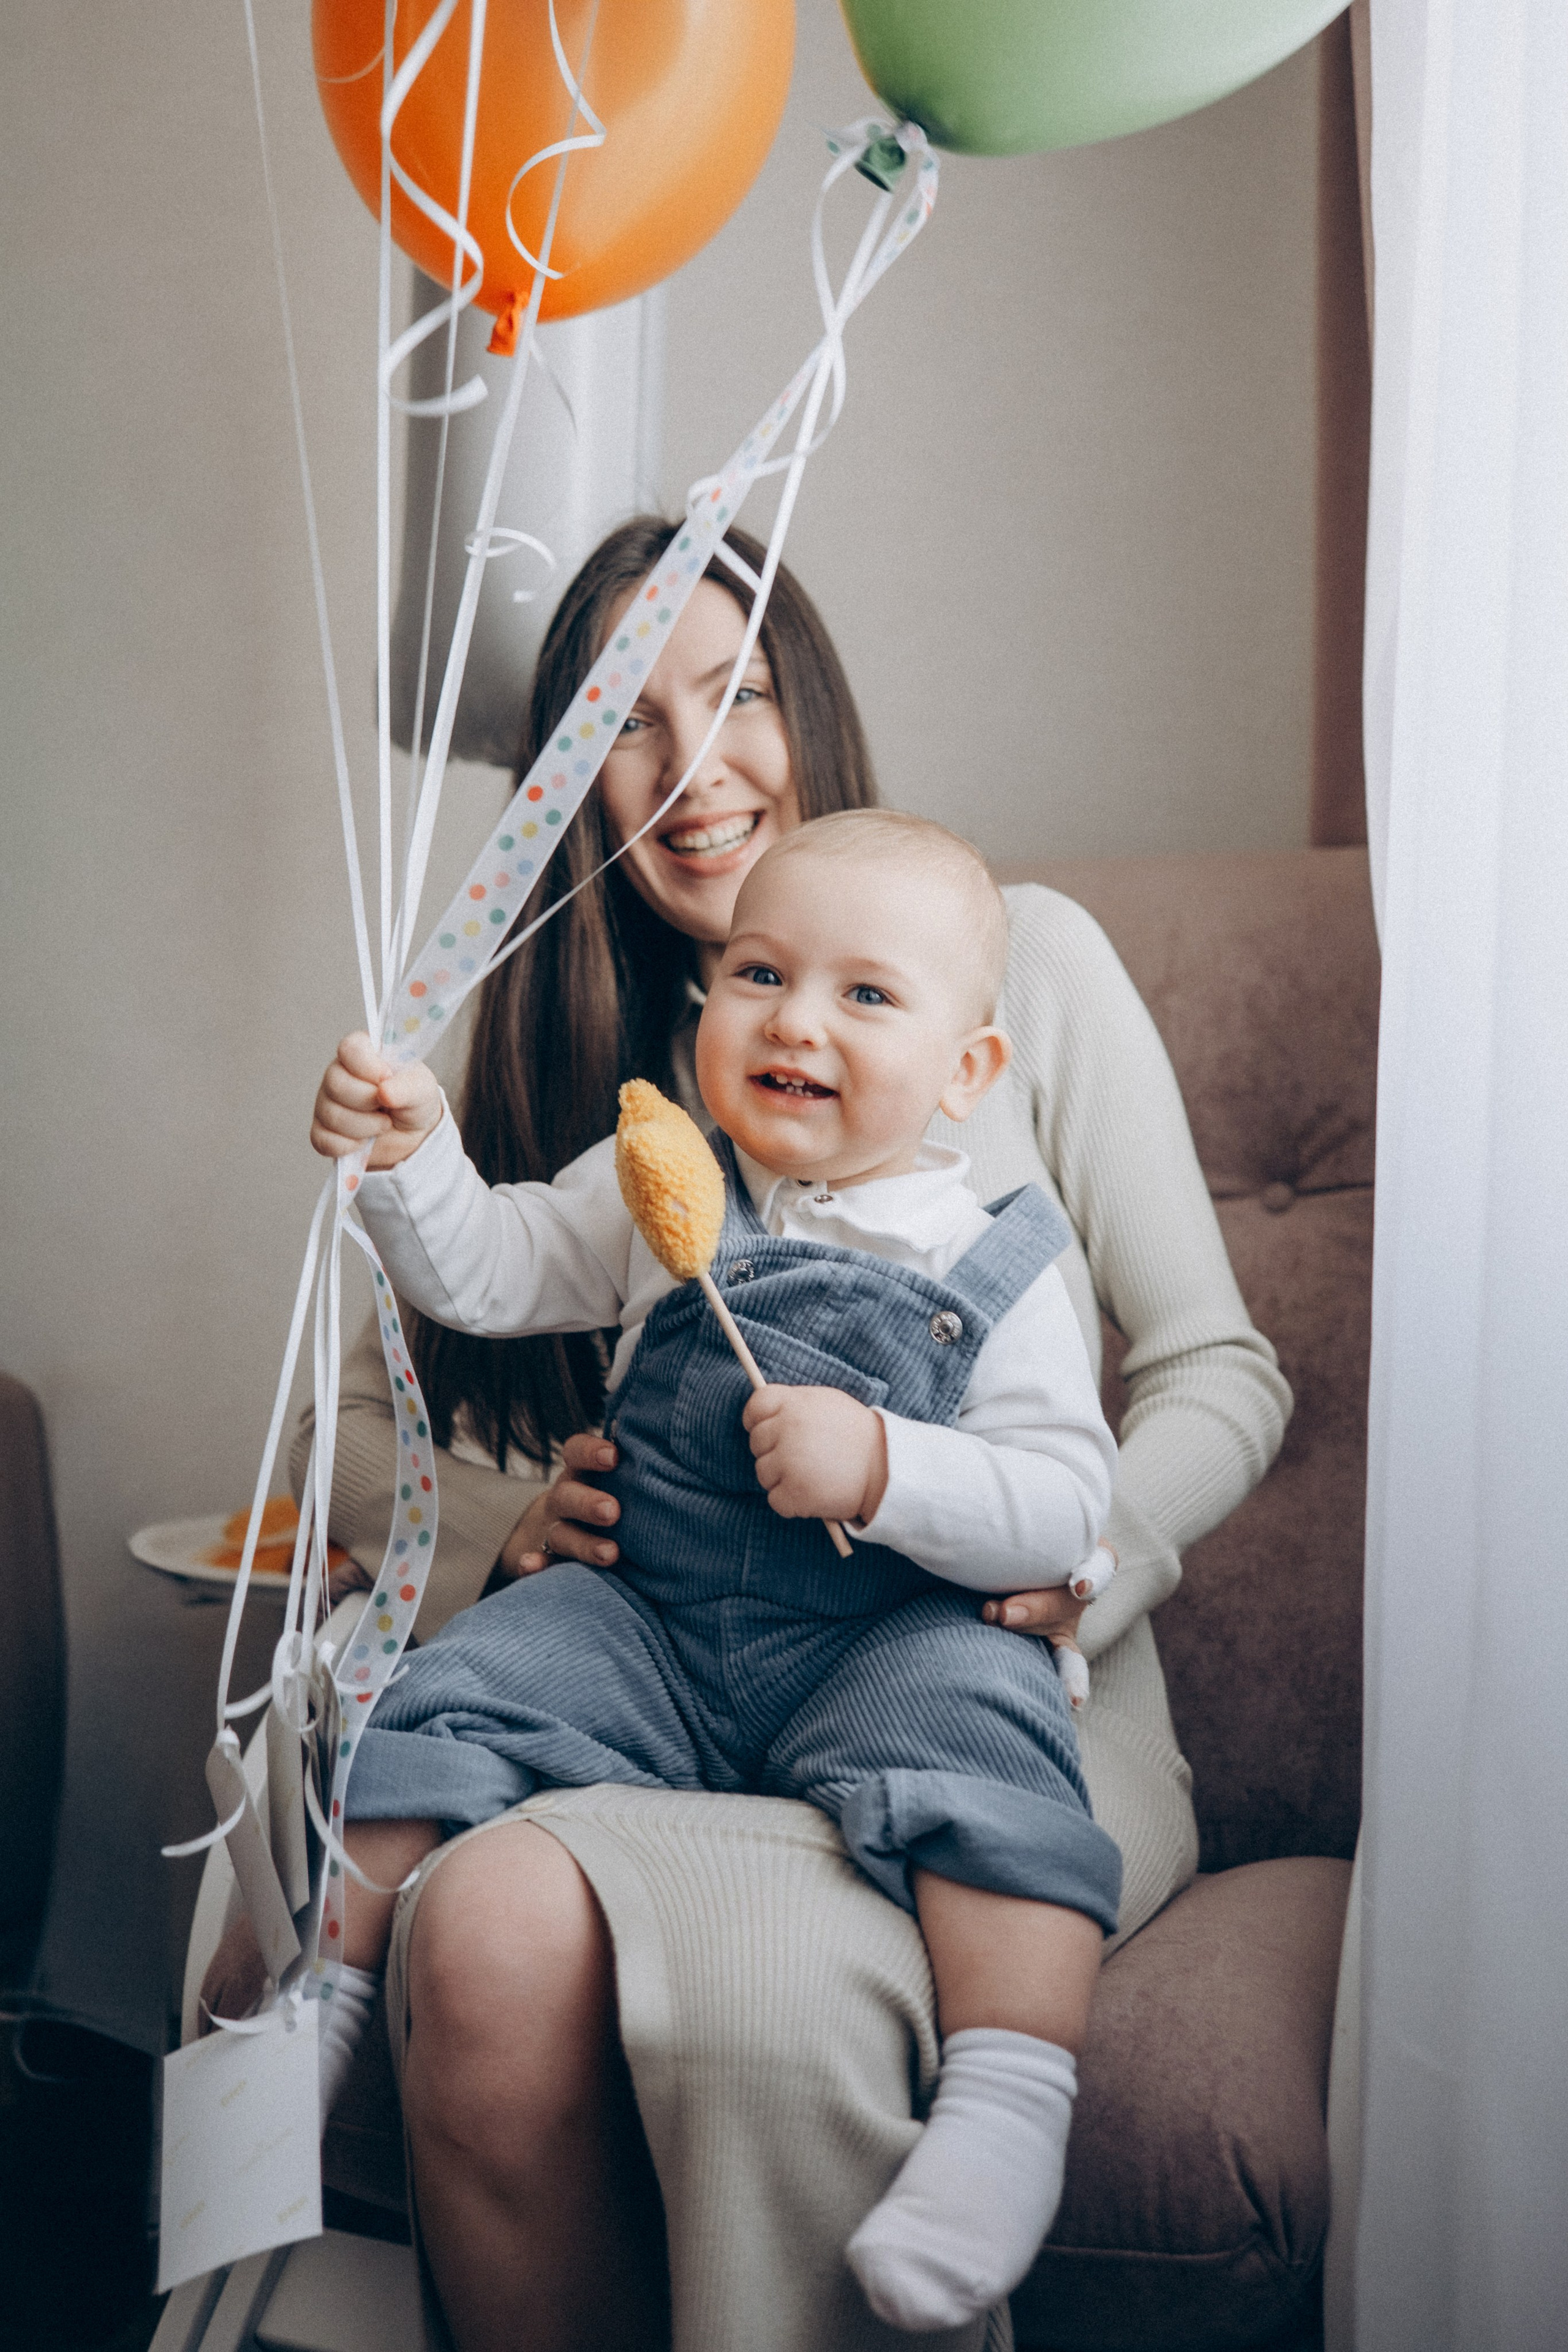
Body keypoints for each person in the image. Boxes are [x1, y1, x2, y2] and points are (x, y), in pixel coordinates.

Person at [213, 515, 1289, 2352]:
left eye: (737, 696)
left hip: (966, 1672)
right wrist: (513, 1529)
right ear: (569, 776)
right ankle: (309, 2024)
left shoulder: (1019, 982)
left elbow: (1215, 1374)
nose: (690, 764)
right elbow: (443, 1330)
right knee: (474, 1904)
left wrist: (1063, 1564)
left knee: (773, 1993)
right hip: (668, 1666)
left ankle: (992, 2121)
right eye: (624, 721)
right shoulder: (628, 1089)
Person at [309, 809, 1126, 2332]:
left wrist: (882, 1468)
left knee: (996, 1754)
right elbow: (486, 1271)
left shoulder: (1000, 1261)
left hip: (882, 1644)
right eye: (759, 975)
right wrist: (415, 1158)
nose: (795, 1021)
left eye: (864, 995)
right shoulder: (660, 1180)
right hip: (651, 1626)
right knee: (458, 1688)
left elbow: (1064, 1505)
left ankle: (1007, 2105)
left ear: (966, 1070)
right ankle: (321, 2003)